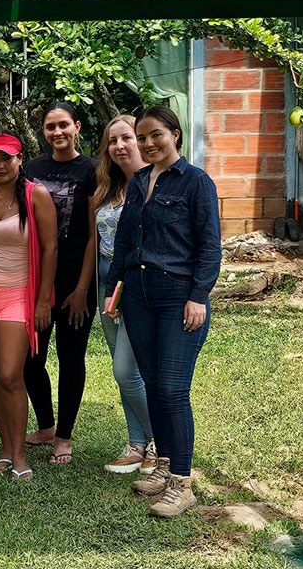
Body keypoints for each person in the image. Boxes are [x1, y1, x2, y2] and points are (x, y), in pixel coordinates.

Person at [103, 105, 221, 518]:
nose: (148, 143)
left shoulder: (196, 183)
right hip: (137, 294)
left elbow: (209, 246)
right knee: (153, 386)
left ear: (175, 134)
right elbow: (125, 239)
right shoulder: (137, 183)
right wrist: (114, 286)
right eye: (142, 136)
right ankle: (164, 468)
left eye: (157, 135)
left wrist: (198, 295)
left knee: (172, 389)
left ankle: (182, 484)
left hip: (177, 297)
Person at [0, 134, 56, 481]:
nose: (0, 166)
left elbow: (49, 249)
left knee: (9, 375)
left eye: (7, 159)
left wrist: (43, 298)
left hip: (19, 292)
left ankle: (20, 456)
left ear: (20, 159)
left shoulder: (37, 196)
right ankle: (5, 449)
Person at [23, 103, 99, 465]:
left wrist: (83, 288)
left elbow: (93, 236)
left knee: (71, 358)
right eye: (50, 126)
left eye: (63, 125)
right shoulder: (33, 169)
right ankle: (46, 426)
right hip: (38, 280)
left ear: (77, 127)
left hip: (74, 280)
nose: (57, 132)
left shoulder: (92, 171)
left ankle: (64, 437)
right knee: (30, 358)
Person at [93, 115, 156, 475]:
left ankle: (161, 440)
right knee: (124, 370)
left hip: (135, 285)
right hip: (105, 285)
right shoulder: (107, 189)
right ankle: (136, 445)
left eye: (126, 138)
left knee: (126, 370)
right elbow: (96, 241)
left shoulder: (155, 184)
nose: (119, 146)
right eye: (112, 141)